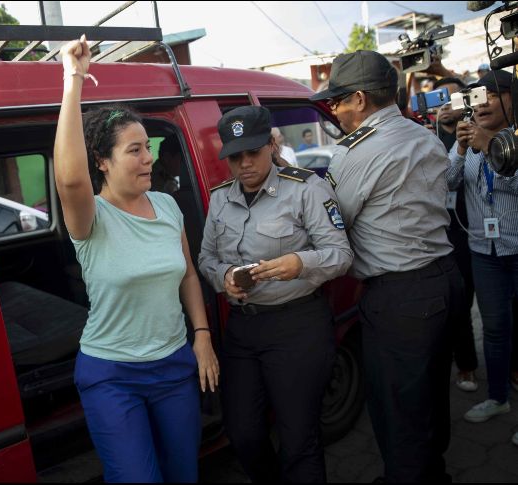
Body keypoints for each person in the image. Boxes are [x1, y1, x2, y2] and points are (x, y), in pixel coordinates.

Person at [53, 36, 220, 482]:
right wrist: (73, 80)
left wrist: (200, 334)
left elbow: (187, 275)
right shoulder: (91, 217)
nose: (149, 158)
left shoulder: (166, 206)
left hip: (172, 366)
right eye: (134, 150)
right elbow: (69, 180)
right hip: (112, 375)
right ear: (101, 162)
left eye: (148, 147)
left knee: (183, 473)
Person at [311, 50, 462, 482]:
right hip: (444, 280)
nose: (334, 111)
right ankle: (432, 473)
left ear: (359, 99)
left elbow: (331, 224)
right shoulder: (424, 136)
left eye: (337, 100)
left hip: (400, 298)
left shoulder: (355, 155)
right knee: (430, 397)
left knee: (399, 413)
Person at [198, 105, 353, 483]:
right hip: (244, 330)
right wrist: (226, 277)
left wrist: (299, 263)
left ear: (270, 145)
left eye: (253, 152)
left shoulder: (306, 189)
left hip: (296, 325)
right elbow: (206, 258)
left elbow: (341, 255)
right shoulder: (221, 198)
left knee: (299, 438)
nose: (245, 164)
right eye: (236, 157)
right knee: (244, 433)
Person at [447, 69, 518, 448]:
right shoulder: (469, 138)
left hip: (517, 248)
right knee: (493, 330)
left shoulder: (512, 138)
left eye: (492, 94)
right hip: (484, 252)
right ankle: (498, 399)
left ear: (511, 98)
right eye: (477, 96)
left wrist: (493, 145)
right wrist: (460, 148)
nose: (483, 102)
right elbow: (448, 181)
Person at [433, 76, 481, 392]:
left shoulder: (478, 133)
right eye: (442, 98)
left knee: (487, 301)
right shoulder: (427, 138)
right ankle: (466, 365)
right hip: (444, 232)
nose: (447, 104)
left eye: (454, 98)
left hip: (477, 226)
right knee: (457, 302)